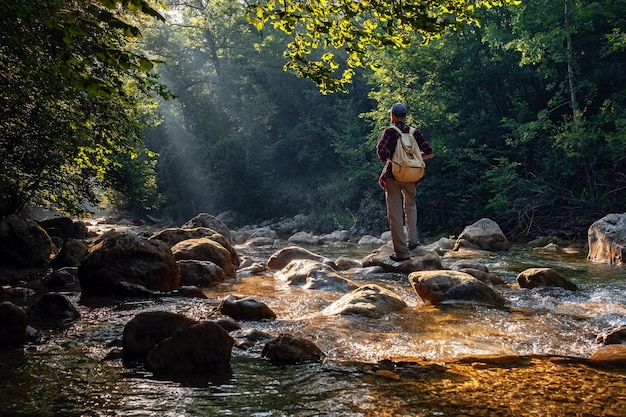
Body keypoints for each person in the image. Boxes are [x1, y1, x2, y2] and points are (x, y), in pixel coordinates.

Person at [376, 102, 434, 262]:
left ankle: (401, 252)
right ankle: (413, 241)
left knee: (395, 213)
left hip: (393, 175)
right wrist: (413, 158)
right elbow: (429, 152)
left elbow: (380, 151)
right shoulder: (416, 132)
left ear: (392, 116)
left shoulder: (390, 131)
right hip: (412, 176)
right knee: (411, 207)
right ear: (405, 116)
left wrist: (393, 159)